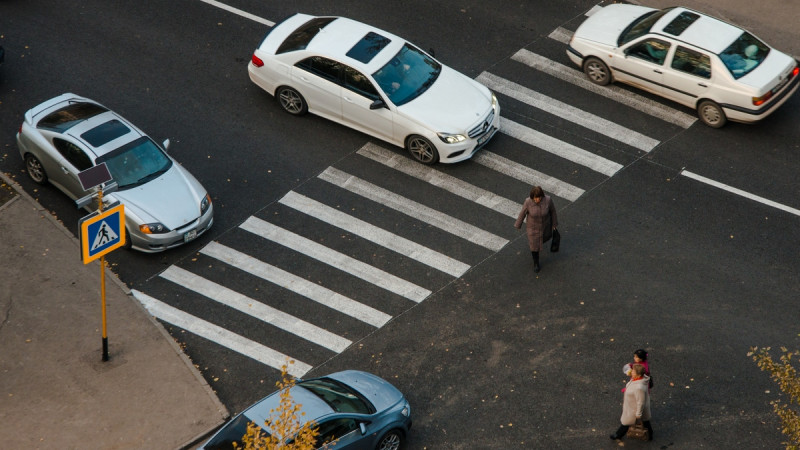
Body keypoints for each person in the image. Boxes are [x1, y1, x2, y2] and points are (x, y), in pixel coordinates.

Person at [514, 186, 557, 273]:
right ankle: (536, 263)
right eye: (535, 198)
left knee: (543, 239)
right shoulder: (528, 202)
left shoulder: (548, 200)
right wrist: (518, 225)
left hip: (545, 226)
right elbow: (522, 213)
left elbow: (553, 211)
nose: (537, 200)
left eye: (539, 197)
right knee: (534, 247)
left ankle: (538, 250)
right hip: (532, 228)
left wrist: (554, 224)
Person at [610, 363, 654, 441]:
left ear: (638, 375)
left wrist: (638, 414)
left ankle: (618, 435)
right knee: (645, 421)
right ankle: (650, 434)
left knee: (626, 422)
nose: (631, 372)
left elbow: (640, 401)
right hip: (633, 406)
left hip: (634, 408)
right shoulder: (639, 379)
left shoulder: (639, 387)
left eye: (633, 372)